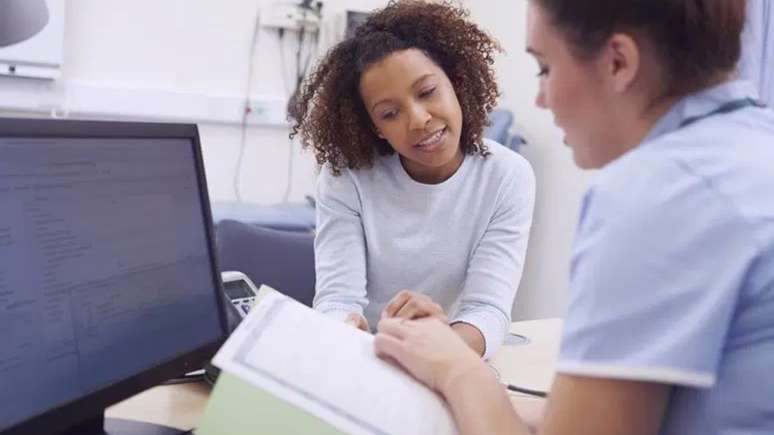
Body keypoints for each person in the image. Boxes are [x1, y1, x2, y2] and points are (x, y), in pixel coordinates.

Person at [374, 0, 774, 434]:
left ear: (618, 62)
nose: (541, 99)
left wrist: (455, 368)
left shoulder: (658, 193)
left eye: (544, 68)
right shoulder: (752, 145)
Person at [290, 0, 535, 358]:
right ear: (375, 127)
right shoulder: (347, 175)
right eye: (390, 113)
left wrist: (439, 348)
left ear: (456, 80)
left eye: (427, 92)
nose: (418, 119)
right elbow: (337, 298)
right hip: (363, 359)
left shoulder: (507, 176)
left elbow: (487, 310)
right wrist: (343, 330)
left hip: (442, 354)